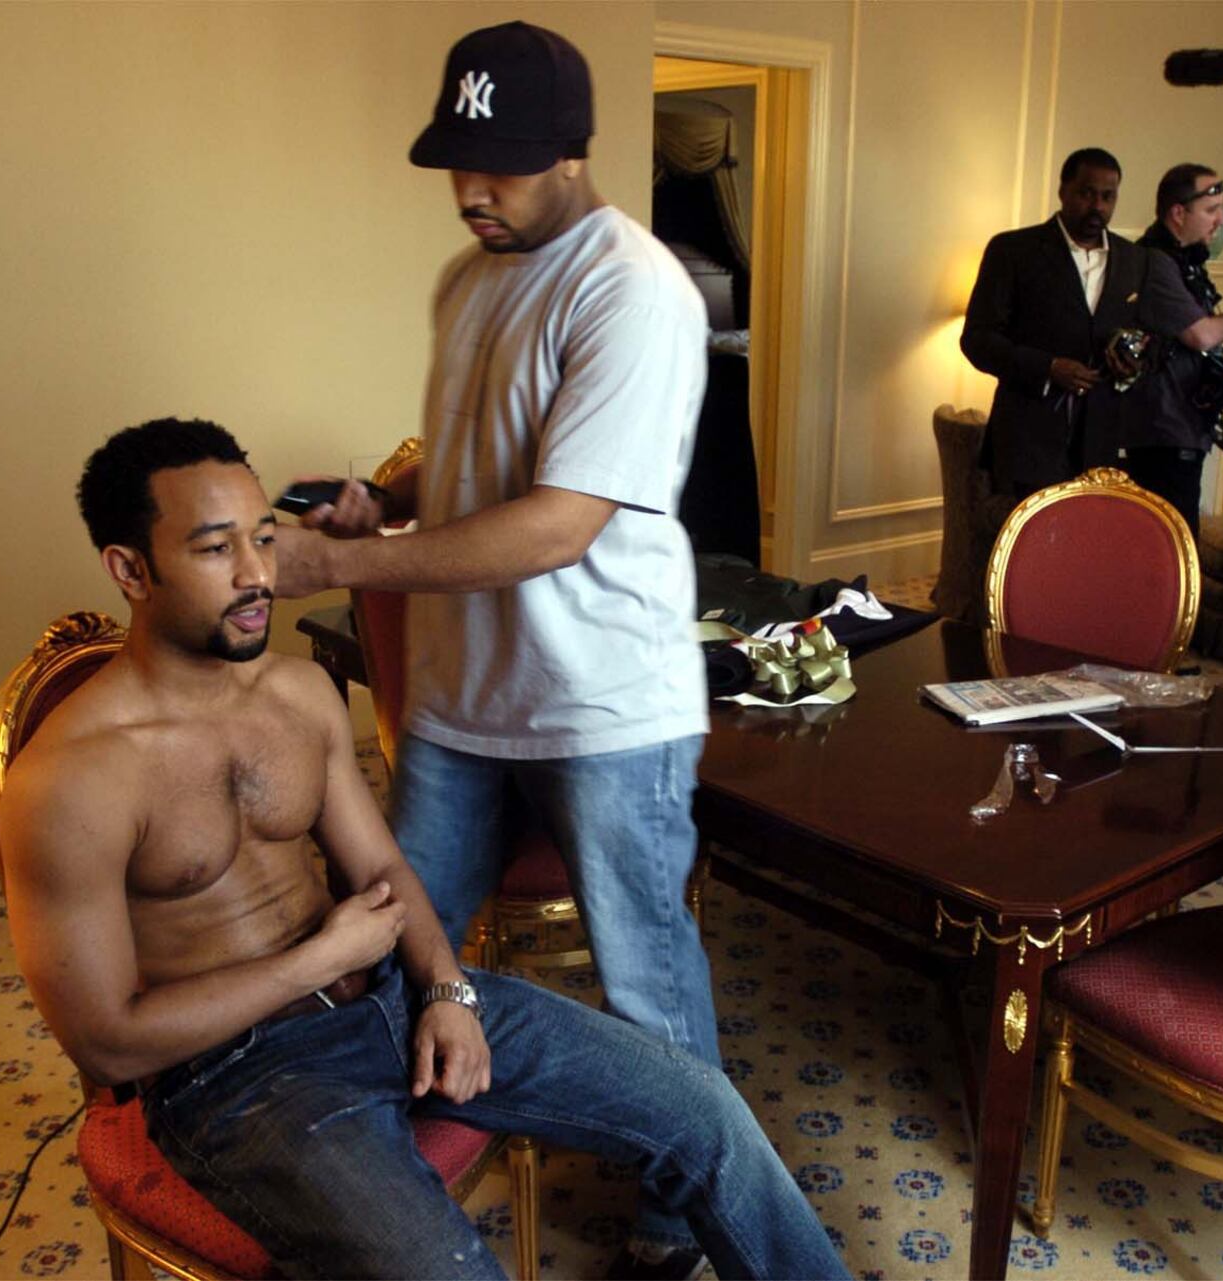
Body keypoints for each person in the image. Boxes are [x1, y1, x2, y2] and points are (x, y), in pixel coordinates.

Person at [0, 418, 850, 1281]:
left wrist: (444, 987)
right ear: (130, 569)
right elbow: (107, 1042)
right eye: (216, 549)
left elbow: (380, 869)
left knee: (701, 1106)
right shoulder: (71, 780)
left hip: (390, 996)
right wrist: (317, 960)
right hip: (239, 1082)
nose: (259, 574)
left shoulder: (295, 693)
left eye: (263, 538)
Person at [272, 24, 720, 1276]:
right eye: (459, 163)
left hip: (606, 707)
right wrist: (386, 517)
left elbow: (557, 525)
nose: (475, 191)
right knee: (391, 936)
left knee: (645, 981)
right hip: (466, 704)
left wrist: (340, 565)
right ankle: (386, 1155)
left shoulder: (632, 289)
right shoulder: (467, 279)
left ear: (574, 154)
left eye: (505, 167)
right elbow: (484, 489)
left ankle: (682, 1213)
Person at [960, 148, 1223, 506]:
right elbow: (977, 340)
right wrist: (1048, 368)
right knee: (1034, 555)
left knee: (1093, 553)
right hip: (1031, 438)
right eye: (1087, 193)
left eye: (1108, 197)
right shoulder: (1013, 251)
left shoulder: (1136, 260)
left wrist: (1135, 361)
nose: (1098, 206)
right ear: (1063, 191)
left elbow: (1152, 344)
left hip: (1103, 443)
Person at [1122, 164, 1223, 535]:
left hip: (1183, 424)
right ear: (1178, 213)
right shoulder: (1156, 262)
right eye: (1210, 210)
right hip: (1162, 432)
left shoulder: (1185, 263)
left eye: (1222, 209)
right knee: (1169, 541)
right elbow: (1202, 336)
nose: (1219, 221)